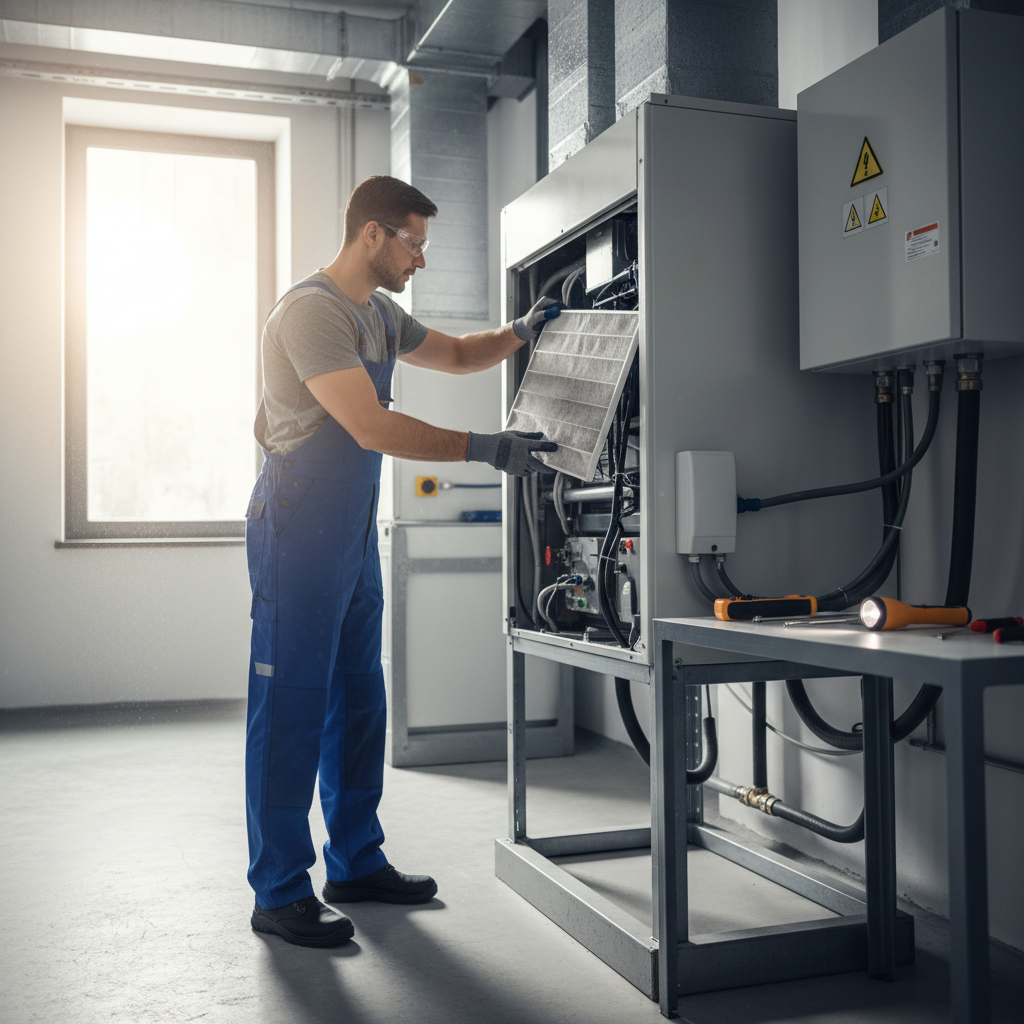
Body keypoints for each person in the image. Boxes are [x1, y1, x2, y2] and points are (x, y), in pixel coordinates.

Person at [245, 174, 560, 948]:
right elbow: (369, 427)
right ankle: (279, 891)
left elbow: (454, 354)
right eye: (414, 242)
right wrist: (485, 450)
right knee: (290, 708)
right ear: (372, 235)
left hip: (349, 530)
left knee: (359, 699)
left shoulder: (379, 313)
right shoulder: (312, 313)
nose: (421, 258)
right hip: (297, 525)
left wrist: (522, 329)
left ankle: (354, 861)